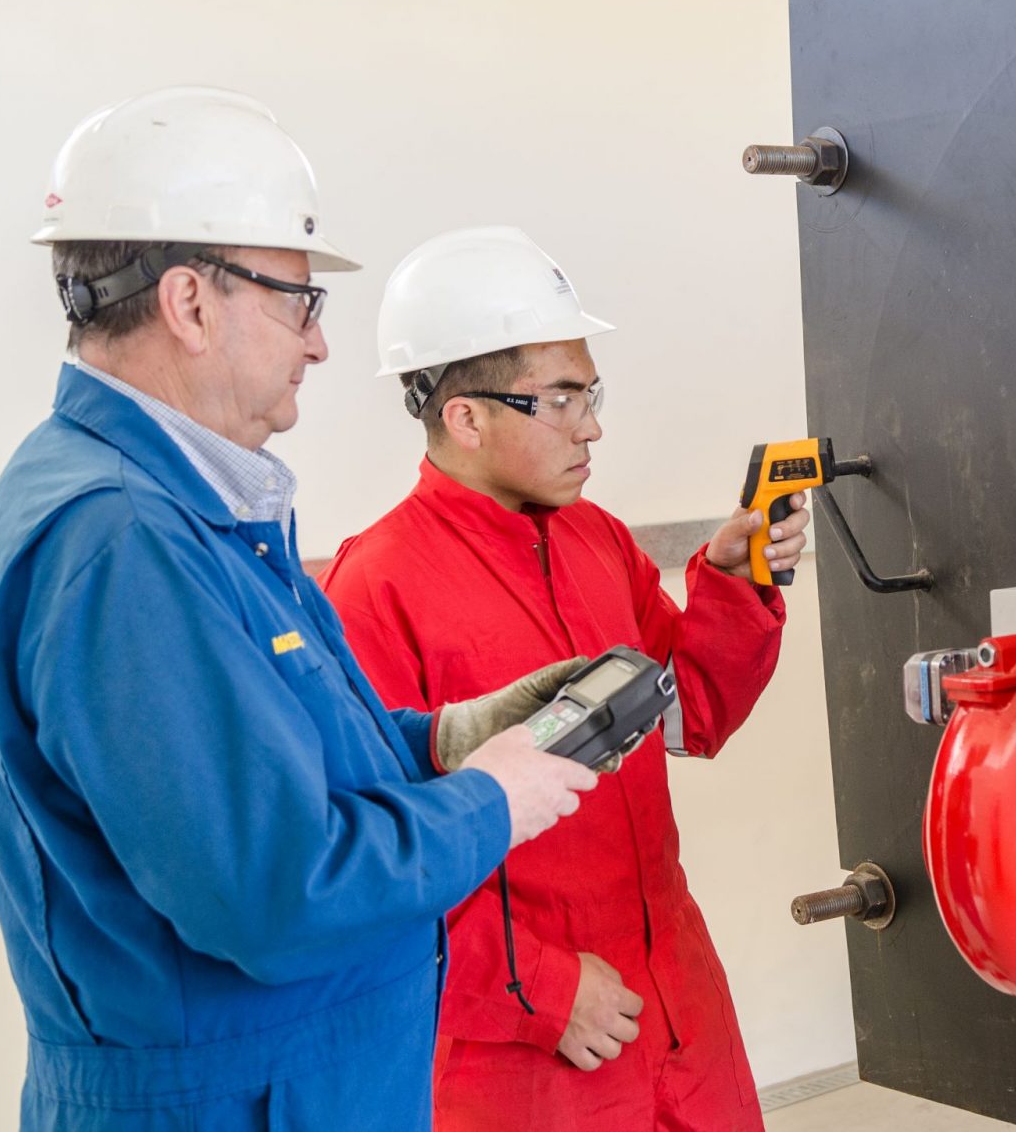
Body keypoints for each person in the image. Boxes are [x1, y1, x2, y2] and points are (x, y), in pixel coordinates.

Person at [0, 89, 598, 1130]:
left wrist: (443, 737)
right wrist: (490, 800)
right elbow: (275, 888)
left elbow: (284, 757)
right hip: (230, 1101)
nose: (319, 345)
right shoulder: (121, 539)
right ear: (190, 303)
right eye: (301, 299)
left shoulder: (192, 503)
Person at [319, 226, 811, 1130]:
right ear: (465, 415)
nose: (593, 423)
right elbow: (367, 861)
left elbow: (689, 710)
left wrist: (735, 583)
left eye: (592, 391)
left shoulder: (599, 541)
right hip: (533, 1061)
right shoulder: (375, 585)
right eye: (563, 397)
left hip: (678, 1011)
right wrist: (539, 991)